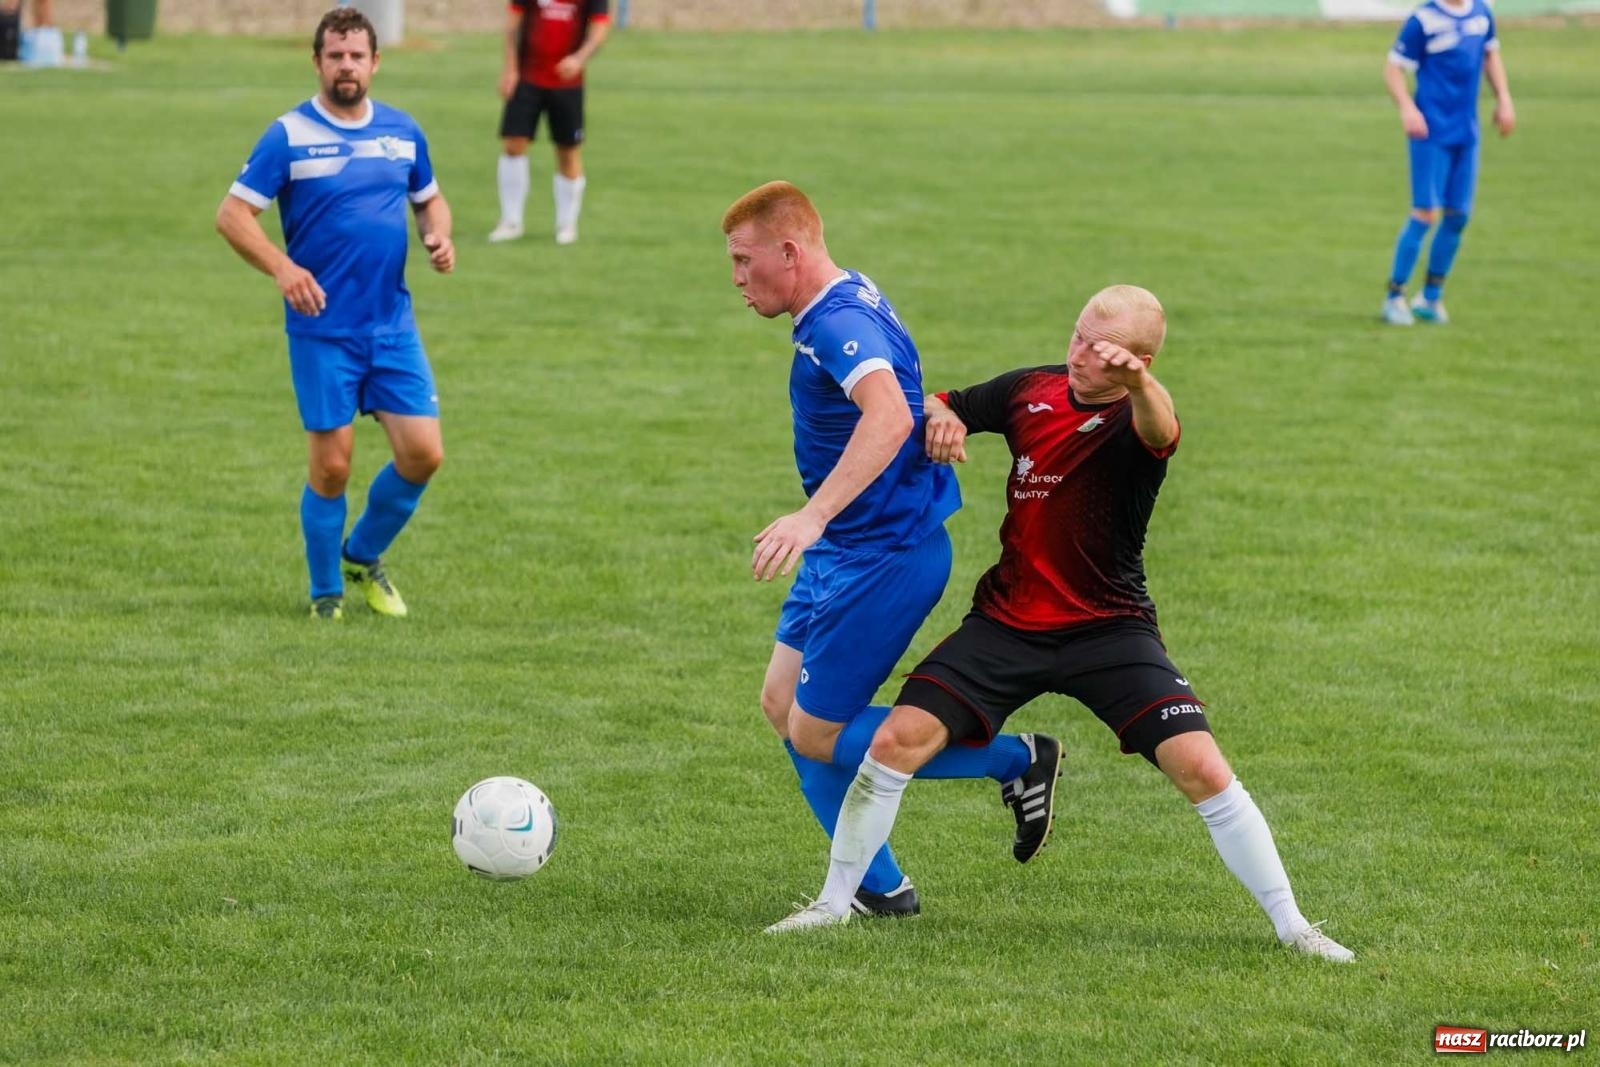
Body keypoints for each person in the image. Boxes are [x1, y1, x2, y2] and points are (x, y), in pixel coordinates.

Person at [779, 285, 1355, 961]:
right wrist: (945, 417)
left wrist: (1141, 385)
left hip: (1109, 630)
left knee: (1201, 765)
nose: (1076, 353)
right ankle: (833, 903)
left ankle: (1295, 927)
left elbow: (1161, 426)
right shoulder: (1032, 390)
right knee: (897, 741)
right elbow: (949, 401)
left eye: (1097, 349)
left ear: (1137, 361)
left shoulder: (1138, 422)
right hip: (1007, 621)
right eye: (1077, 335)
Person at [721, 181, 1060, 933]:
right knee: (782, 706)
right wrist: (939, 414)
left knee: (815, 729)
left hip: (881, 557)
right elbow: (910, 398)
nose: (738, 280)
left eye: (746, 262)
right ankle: (883, 887)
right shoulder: (845, 298)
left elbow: (890, 408)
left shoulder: (837, 323)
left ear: (789, 251)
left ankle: (1013, 759)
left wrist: (812, 515)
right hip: (848, 550)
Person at [216, 7, 455, 620]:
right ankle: (326, 595)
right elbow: (233, 215)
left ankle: (361, 555)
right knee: (332, 466)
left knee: (424, 454)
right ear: (317, 61)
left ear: (375, 62)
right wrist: (283, 268)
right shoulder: (287, 135)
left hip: (391, 325)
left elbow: (429, 200)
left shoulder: (403, 132)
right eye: (334, 56)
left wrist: (438, 236)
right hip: (323, 328)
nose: (346, 66)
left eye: (356, 55)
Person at [1380, 0, 1513, 325]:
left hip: (1466, 131)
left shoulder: (1481, 13)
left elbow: (1490, 54)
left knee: (1458, 216)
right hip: (1430, 131)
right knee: (1425, 213)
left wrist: (1504, 98)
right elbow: (1393, 67)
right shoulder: (1424, 19)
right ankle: (1395, 297)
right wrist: (1407, 108)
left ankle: (1430, 297)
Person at [489, 0, 611, 245]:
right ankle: (511, 221)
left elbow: (600, 29)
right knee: (514, 144)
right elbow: (513, 23)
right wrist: (510, 69)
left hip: (567, 84)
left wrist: (579, 59)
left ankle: (566, 225)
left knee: (567, 151)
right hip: (527, 78)